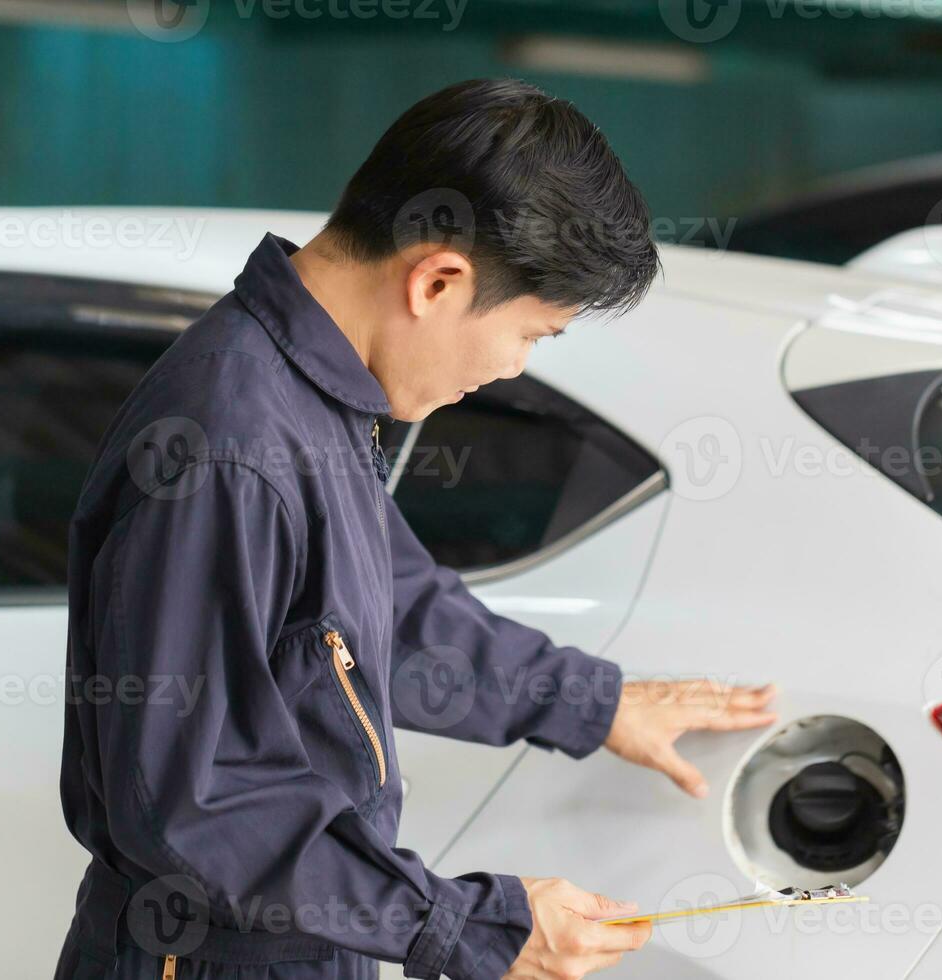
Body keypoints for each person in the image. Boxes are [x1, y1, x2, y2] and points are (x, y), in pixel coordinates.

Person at [54, 77, 777, 980]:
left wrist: (586, 703)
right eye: (534, 336)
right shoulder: (231, 448)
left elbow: (378, 610)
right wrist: (459, 925)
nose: (512, 369)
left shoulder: (311, 399)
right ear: (438, 279)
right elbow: (196, 804)